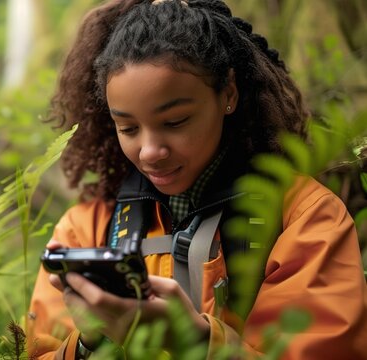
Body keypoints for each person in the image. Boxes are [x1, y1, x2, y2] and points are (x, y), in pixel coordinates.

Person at [26, 0, 367, 359]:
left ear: (229, 94)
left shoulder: (305, 219)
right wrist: (89, 343)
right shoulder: (85, 228)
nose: (149, 151)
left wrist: (197, 341)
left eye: (175, 122)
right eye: (128, 128)